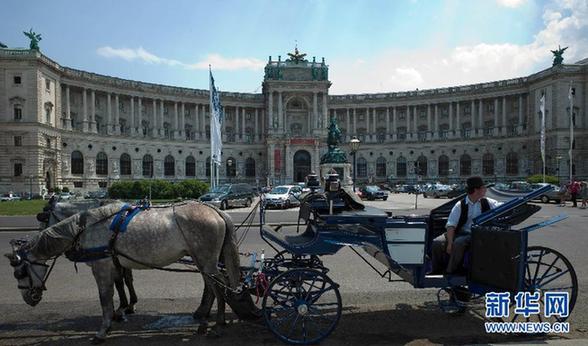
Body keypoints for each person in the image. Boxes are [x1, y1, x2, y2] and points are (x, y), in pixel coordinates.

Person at [430, 176, 501, 275]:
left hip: (476, 234)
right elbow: (451, 225)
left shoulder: (488, 202)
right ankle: (436, 270)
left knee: (459, 243)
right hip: (460, 232)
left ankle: (450, 271)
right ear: (476, 190)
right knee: (437, 242)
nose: (485, 190)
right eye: (483, 188)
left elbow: (503, 207)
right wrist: (449, 243)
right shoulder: (460, 205)